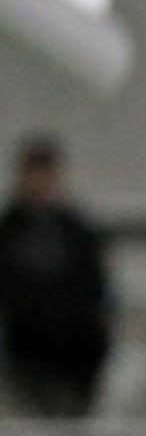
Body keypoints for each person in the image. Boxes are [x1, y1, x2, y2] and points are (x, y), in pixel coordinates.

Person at [0, 136, 114, 417]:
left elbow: (95, 290)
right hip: (21, 344)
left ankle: (94, 435)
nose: (39, 185)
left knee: (125, 368)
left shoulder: (79, 233)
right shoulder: (6, 233)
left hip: (75, 345)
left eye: (46, 176)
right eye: (33, 176)